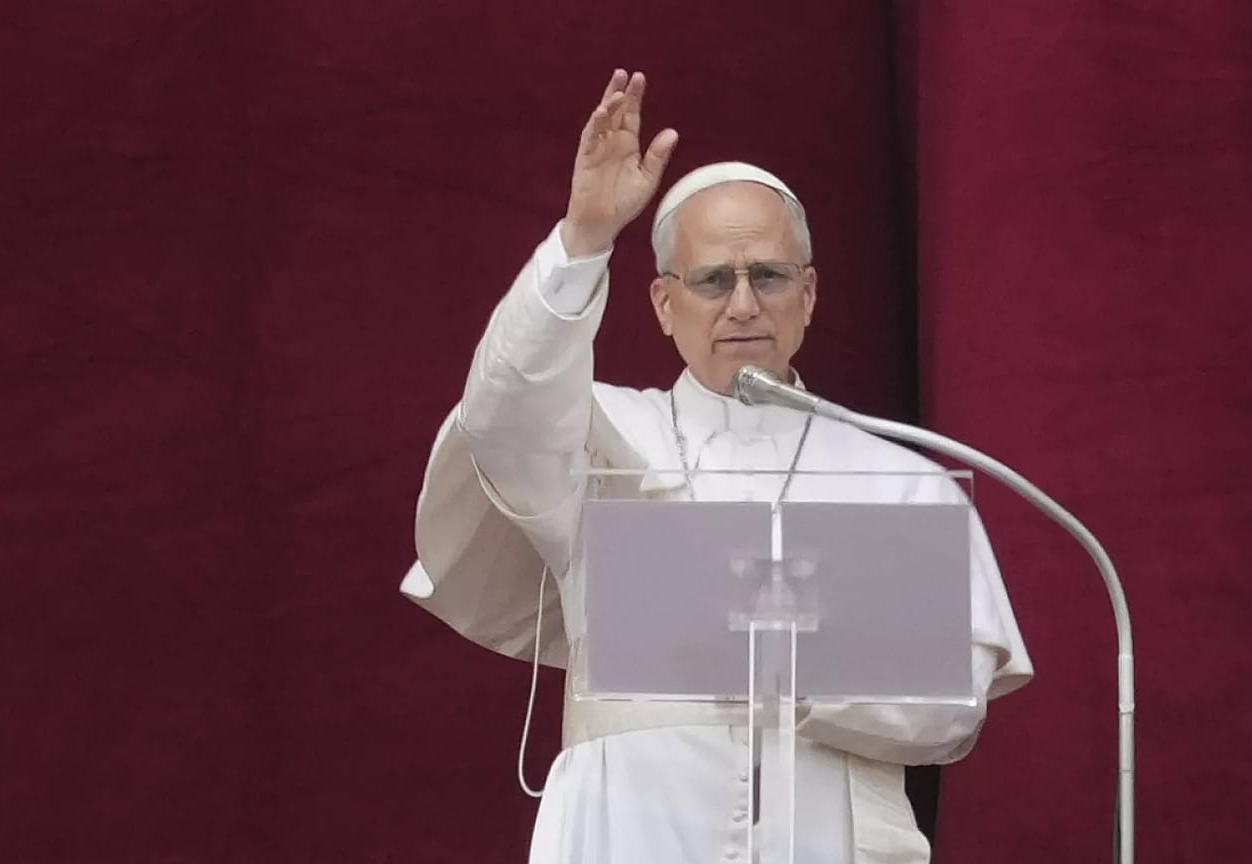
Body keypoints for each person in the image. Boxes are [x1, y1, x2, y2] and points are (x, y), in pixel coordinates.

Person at [400, 69, 1032, 864]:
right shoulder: (597, 441)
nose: (742, 305)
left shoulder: (899, 479)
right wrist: (582, 240)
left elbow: (953, 710)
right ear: (665, 305)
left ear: (808, 296)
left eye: (767, 276)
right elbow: (499, 416)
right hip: (629, 834)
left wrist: (778, 666)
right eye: (711, 280)